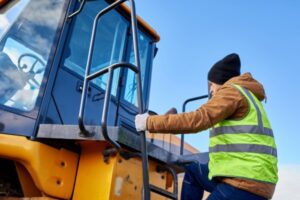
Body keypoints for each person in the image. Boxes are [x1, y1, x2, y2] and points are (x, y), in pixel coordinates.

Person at [135, 53, 278, 200]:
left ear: (220, 81)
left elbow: (198, 119)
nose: (210, 91)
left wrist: (149, 122)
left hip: (244, 183)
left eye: (211, 85)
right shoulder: (246, 95)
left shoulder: (231, 92)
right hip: (252, 178)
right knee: (193, 172)